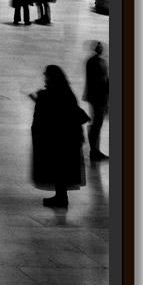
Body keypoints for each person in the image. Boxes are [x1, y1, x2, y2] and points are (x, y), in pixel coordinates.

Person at [30, 66, 89, 209]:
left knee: (58, 167)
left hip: (59, 138)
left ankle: (61, 198)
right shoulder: (65, 91)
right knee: (61, 168)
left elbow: (53, 114)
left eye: (47, 76)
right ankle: (60, 196)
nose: (45, 78)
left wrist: (39, 99)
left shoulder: (51, 93)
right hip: (68, 138)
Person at [84, 41, 110, 160]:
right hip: (97, 97)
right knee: (96, 124)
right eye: (98, 46)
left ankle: (95, 150)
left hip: (99, 97)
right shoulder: (95, 62)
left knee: (97, 123)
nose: (101, 48)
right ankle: (94, 151)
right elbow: (99, 80)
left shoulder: (98, 61)